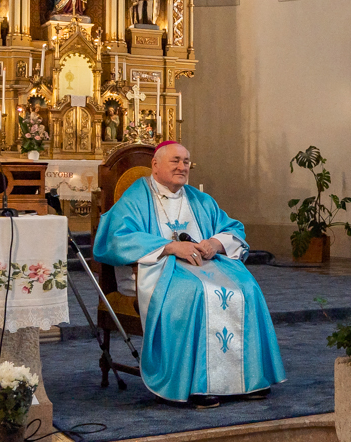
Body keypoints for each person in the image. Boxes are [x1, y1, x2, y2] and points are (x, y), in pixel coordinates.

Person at [93, 141, 286, 405]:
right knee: (195, 293)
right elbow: (116, 238)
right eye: (175, 161)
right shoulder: (136, 197)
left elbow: (233, 229)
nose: (182, 167)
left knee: (247, 288)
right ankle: (195, 384)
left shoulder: (199, 199)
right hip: (156, 268)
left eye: (186, 162)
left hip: (203, 265)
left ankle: (246, 380)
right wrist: (171, 246)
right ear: (155, 165)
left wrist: (215, 243)